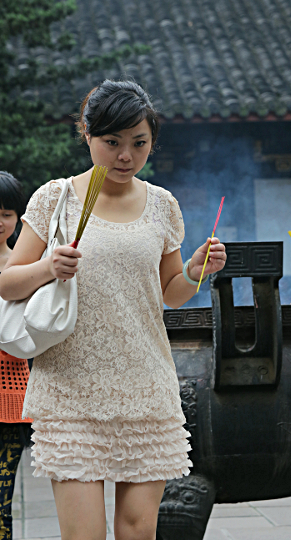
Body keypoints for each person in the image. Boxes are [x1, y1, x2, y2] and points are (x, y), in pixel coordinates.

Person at [0, 80, 227, 540]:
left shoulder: (162, 205)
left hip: (146, 387)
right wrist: (48, 267)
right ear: (87, 134)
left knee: (136, 530)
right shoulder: (54, 198)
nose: (126, 155)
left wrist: (197, 270)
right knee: (83, 534)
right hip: (70, 391)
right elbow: (7, 283)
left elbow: (170, 292)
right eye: (112, 142)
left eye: (139, 143)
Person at [0, 171, 31, 539]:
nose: (0, 220)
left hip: (11, 398)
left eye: (7, 212)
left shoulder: (24, 267)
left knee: (2, 501)